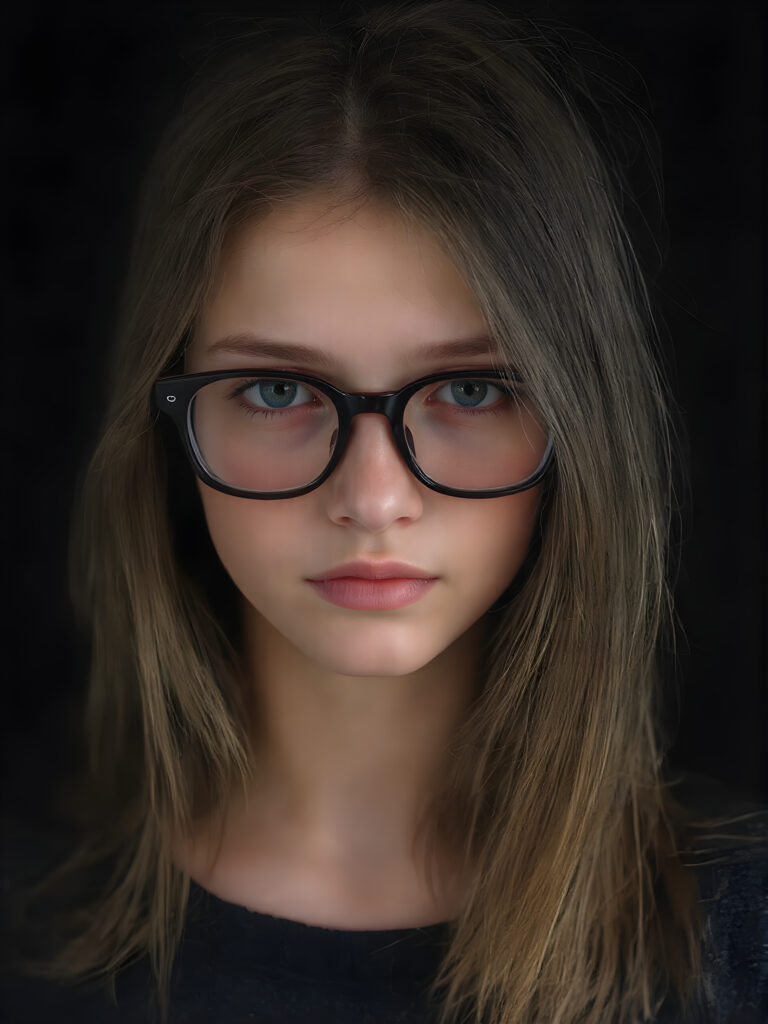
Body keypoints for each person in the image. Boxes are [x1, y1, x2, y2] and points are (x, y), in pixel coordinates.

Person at [2, 2, 766, 1023]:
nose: (372, 497)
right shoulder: (24, 929)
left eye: (469, 391)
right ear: (168, 424)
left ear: (586, 426)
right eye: (277, 391)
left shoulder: (740, 941)